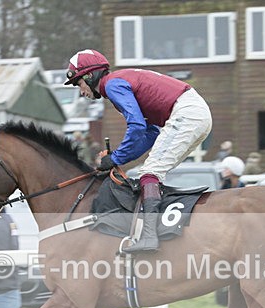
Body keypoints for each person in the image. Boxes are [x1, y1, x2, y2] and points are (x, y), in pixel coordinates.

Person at [64, 48, 212, 253]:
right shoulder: (117, 82)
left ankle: (150, 236)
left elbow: (136, 127)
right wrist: (117, 160)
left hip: (187, 114)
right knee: (152, 173)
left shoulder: (112, 85)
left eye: (79, 83)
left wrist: (115, 157)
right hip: (193, 113)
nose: (81, 91)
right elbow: (150, 134)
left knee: (150, 173)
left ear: (89, 75)